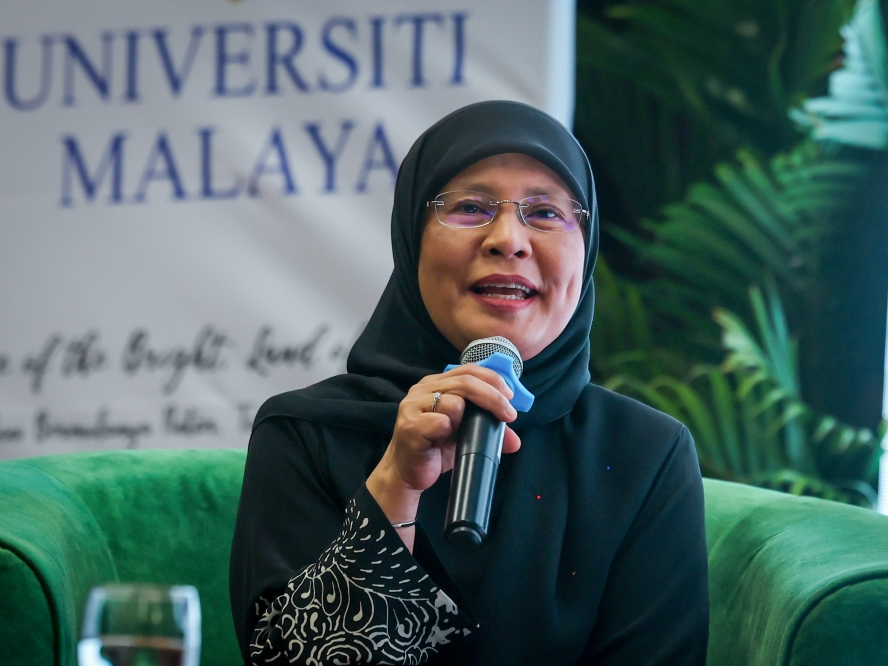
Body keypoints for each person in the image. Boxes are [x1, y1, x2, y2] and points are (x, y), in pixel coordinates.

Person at [229, 100, 709, 665]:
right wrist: (395, 486)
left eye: (545, 212)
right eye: (471, 208)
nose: (508, 239)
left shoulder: (644, 456)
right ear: (411, 240)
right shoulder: (305, 434)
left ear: (587, 249)